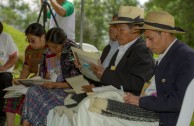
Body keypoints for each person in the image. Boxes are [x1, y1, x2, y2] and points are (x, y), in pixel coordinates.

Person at [124, 11, 194, 126]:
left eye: (150, 38)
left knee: (98, 116)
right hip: (151, 114)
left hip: (162, 121)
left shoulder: (187, 57)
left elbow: (179, 101)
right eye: (146, 39)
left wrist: (140, 101)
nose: (147, 44)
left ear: (165, 33)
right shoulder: (170, 53)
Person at [22, 27, 80, 126]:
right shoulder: (48, 51)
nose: (52, 50)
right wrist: (46, 75)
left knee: (42, 100)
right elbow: (44, 72)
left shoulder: (72, 52)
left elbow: (76, 82)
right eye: (49, 46)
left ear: (63, 42)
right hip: (53, 86)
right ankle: (26, 123)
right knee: (32, 91)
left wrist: (56, 85)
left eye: (55, 47)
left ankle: (35, 123)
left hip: (68, 91)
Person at [99, 6, 154, 95]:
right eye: (117, 29)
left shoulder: (142, 51)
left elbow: (139, 82)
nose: (118, 34)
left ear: (135, 30)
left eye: (121, 30)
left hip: (128, 102)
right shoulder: (121, 48)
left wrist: (105, 74)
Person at [3, 23, 47, 126]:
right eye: (28, 40)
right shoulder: (29, 49)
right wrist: (20, 80)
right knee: (11, 93)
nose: (30, 43)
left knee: (26, 98)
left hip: (44, 82)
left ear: (42, 37)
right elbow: (27, 67)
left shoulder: (50, 48)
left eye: (33, 40)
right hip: (33, 80)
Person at [80, 14, 119, 92]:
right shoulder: (107, 49)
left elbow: (118, 80)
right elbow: (96, 72)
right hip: (96, 89)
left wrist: (97, 88)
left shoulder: (124, 51)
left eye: (115, 26)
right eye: (110, 25)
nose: (110, 28)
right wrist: (81, 66)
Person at [0, 21, 18, 126]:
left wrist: (4, 67)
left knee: (5, 78)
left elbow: (13, 57)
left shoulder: (6, 38)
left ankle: (1, 116)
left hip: (3, 73)